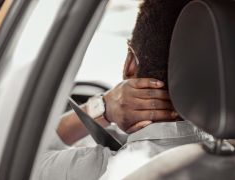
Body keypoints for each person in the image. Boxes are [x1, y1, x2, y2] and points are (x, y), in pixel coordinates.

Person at [32, 0, 202, 179]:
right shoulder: (232, 160)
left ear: (130, 64)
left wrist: (102, 107)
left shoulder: (100, 170)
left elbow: (24, 157)